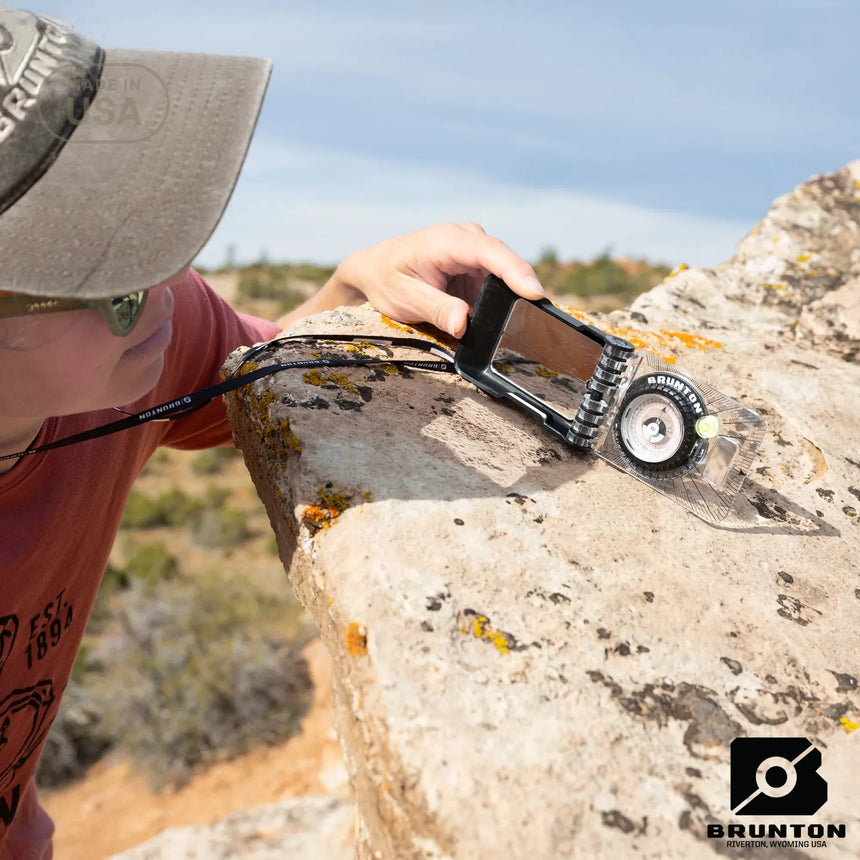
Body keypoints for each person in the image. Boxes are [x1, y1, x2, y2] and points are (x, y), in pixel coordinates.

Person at [0, 9, 543, 858]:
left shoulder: (153, 329)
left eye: (153, 231)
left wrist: (354, 284)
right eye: (108, 269)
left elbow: (257, 377)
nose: (173, 283)